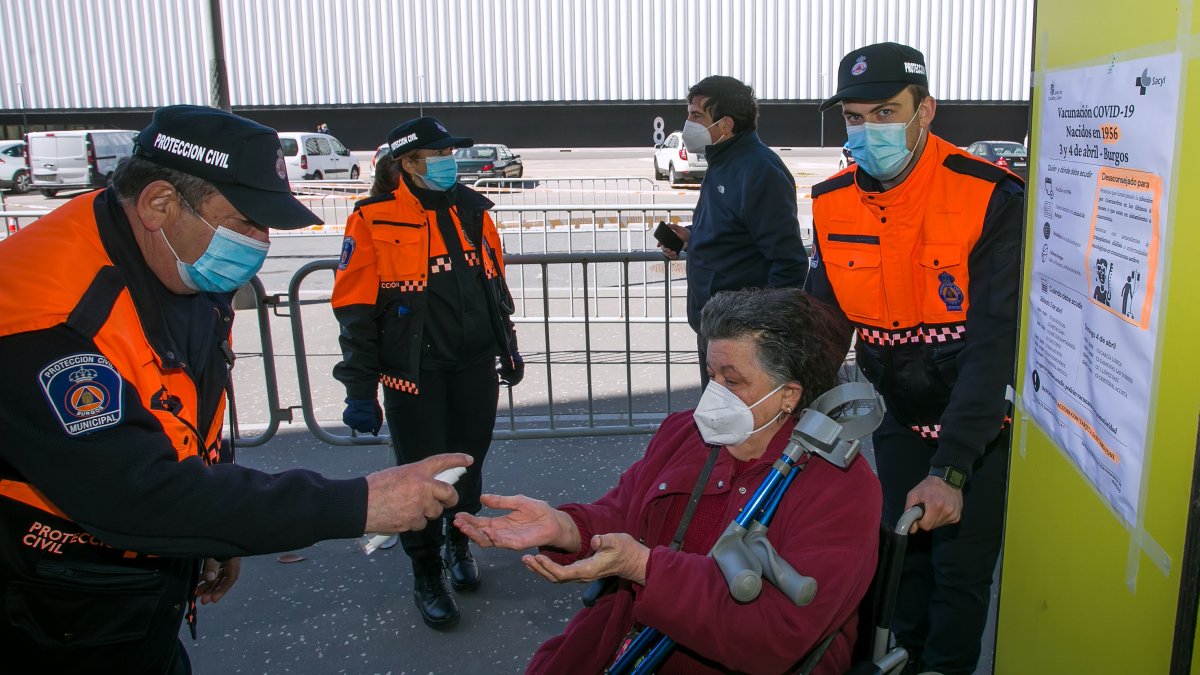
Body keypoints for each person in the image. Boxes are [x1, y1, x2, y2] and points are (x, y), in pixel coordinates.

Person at [0, 105, 472, 674]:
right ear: (159, 204)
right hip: (49, 609)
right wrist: (359, 503)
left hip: (124, 596)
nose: (260, 242)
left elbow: (187, 407)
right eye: (245, 220)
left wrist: (210, 533)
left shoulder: (172, 259)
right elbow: (134, 494)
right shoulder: (46, 319)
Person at [456, 287, 882, 674]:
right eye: (711, 375)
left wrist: (645, 568)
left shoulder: (839, 486)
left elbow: (776, 634)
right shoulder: (686, 433)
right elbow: (623, 512)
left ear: (789, 394)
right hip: (627, 642)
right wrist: (565, 528)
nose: (713, 394)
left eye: (732, 381)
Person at [806, 42, 1025, 675]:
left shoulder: (988, 196)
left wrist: (953, 467)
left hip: (976, 423)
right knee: (901, 563)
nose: (868, 130)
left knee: (960, 577)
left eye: (885, 112)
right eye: (854, 116)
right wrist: (778, 402)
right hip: (898, 411)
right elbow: (823, 326)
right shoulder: (830, 202)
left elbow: (991, 345)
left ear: (925, 110)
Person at [332, 116, 524, 630]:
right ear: (408, 164)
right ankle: (426, 571)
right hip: (414, 375)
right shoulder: (372, 218)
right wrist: (359, 389)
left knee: (467, 463)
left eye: (450, 155)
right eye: (437, 156)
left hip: (474, 365)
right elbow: (355, 311)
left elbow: (493, 290)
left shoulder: (473, 210)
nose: (448, 163)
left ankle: (459, 544)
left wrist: (508, 349)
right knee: (421, 475)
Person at [657, 76, 810, 386]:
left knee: (738, 427)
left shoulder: (759, 170)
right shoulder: (723, 161)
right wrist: (690, 237)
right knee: (719, 424)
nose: (688, 123)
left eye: (696, 116)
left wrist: (754, 334)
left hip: (741, 341)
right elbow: (733, 230)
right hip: (715, 328)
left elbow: (790, 263)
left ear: (725, 124)